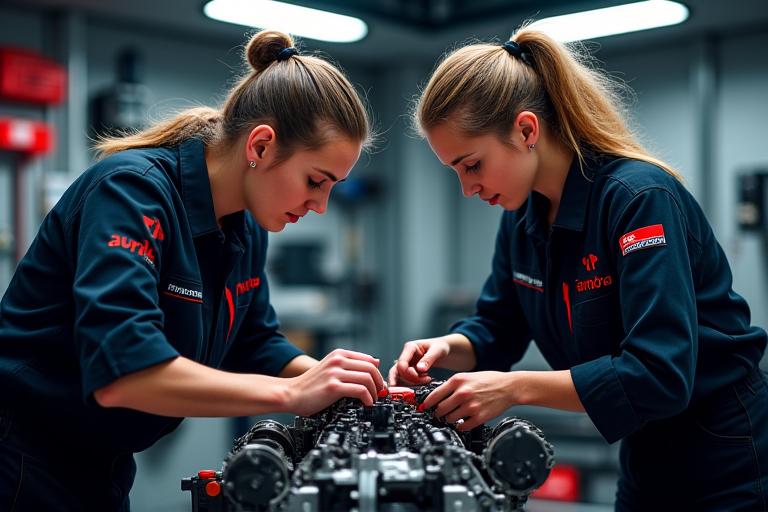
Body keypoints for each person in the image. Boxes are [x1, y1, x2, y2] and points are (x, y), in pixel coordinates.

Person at [0, 30, 386, 512]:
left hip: (102, 462)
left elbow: (254, 340)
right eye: (315, 181)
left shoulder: (245, 226)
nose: (321, 205)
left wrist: (341, 384)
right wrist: (292, 392)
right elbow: (127, 373)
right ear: (261, 146)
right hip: (20, 459)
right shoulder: (131, 192)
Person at [389, 27, 768, 510]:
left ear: (526, 131)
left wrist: (512, 388)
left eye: (472, 165)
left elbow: (659, 374)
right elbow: (498, 327)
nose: (467, 188)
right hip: (645, 458)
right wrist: (445, 347)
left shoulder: (638, 200)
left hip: (726, 460)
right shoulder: (522, 220)